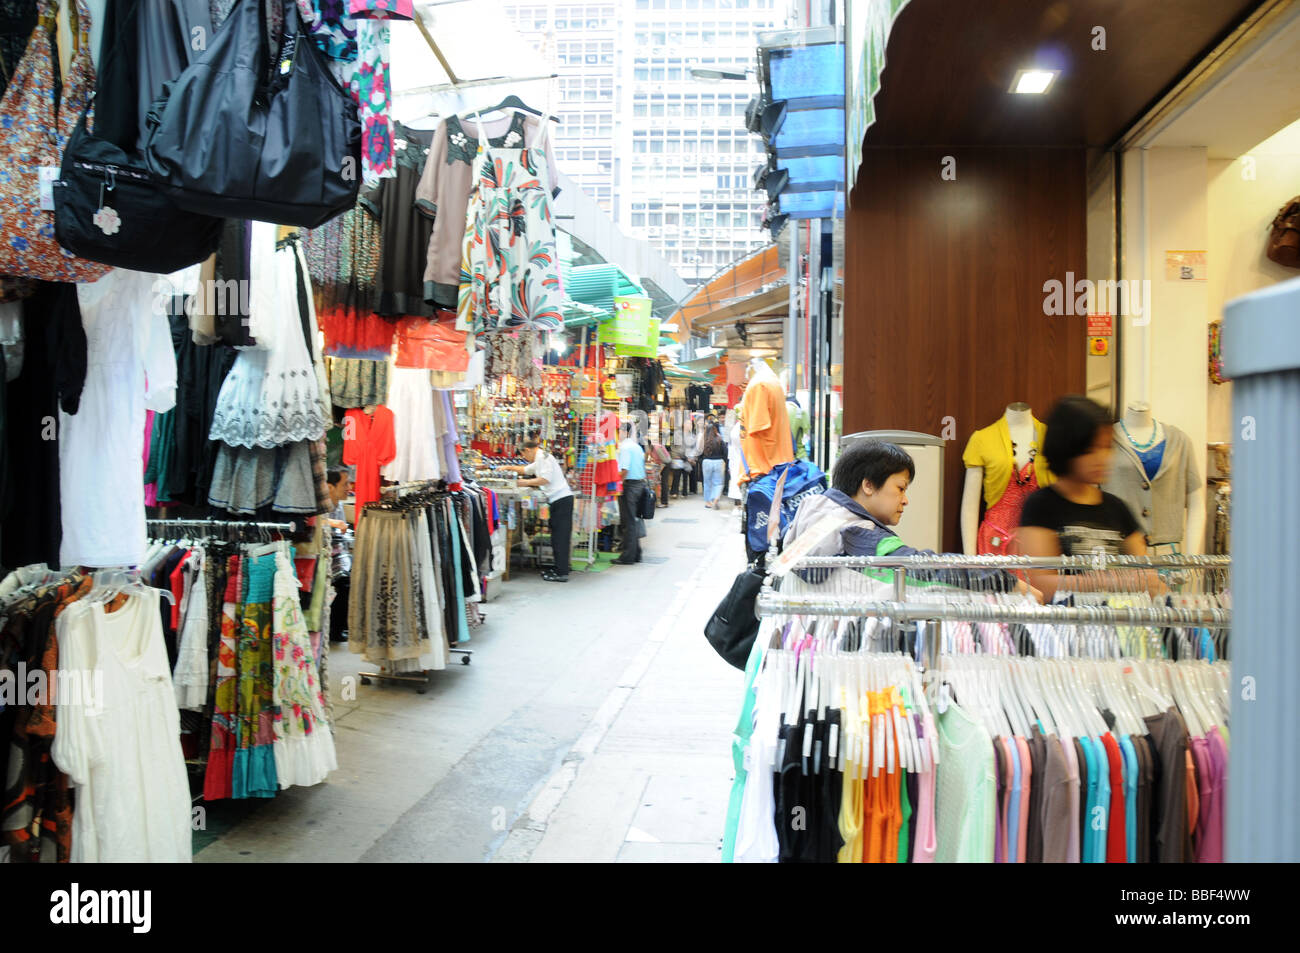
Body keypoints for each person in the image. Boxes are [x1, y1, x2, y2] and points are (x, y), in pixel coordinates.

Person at [783, 439, 1039, 596]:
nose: (905, 500)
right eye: (901, 488)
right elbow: (921, 568)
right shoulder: (860, 534)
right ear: (868, 485)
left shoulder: (816, 514)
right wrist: (1004, 581)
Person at [1019, 395, 1165, 601]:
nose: (1103, 458)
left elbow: (1146, 577)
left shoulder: (1117, 508)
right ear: (1067, 449)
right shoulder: (1041, 506)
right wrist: (1115, 582)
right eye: (1090, 450)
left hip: (1119, 627)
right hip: (1063, 628)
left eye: (1107, 447)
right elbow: (1040, 585)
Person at [503, 437, 573, 582]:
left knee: (560, 538)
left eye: (523, 455)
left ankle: (562, 573)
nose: (524, 458)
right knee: (557, 537)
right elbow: (525, 469)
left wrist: (525, 482)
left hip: (561, 500)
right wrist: (507, 468)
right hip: (558, 500)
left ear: (527, 450)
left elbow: (544, 479)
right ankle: (559, 568)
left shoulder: (544, 457)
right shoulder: (540, 458)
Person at [325, 467, 354, 642]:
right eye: (344, 484)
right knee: (344, 582)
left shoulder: (339, 504)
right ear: (330, 487)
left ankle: (338, 627)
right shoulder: (322, 504)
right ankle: (335, 629)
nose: (349, 487)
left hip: (338, 554)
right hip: (328, 555)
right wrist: (334, 524)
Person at [614, 422, 647, 565]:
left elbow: (624, 470)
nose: (618, 435)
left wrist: (617, 484)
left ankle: (628, 556)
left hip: (630, 486)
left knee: (628, 522)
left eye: (619, 431)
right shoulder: (637, 447)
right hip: (639, 484)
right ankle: (636, 553)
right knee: (633, 520)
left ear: (624, 432)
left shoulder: (625, 447)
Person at [699, 420, 727, 509]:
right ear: (715, 430)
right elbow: (725, 452)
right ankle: (715, 499)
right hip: (718, 462)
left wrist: (701, 461)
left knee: (707, 483)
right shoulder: (719, 438)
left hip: (706, 462)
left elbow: (699, 452)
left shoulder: (703, 440)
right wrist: (725, 461)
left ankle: (708, 502)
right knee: (718, 483)